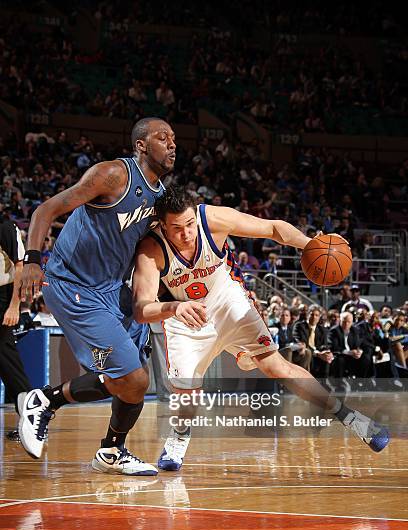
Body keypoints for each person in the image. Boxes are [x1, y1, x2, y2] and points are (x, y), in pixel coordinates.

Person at [133, 187, 389, 471]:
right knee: (187, 392)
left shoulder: (213, 219)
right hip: (184, 315)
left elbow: (273, 228)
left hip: (225, 299)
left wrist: (310, 245)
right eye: (177, 228)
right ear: (162, 225)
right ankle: (180, 435)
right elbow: (141, 308)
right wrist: (173, 308)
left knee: (276, 367)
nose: (187, 234)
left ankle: (350, 417)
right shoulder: (150, 249)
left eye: (190, 224)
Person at [17, 117, 176, 475]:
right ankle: (45, 400)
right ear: (140, 145)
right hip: (73, 285)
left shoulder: (160, 198)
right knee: (134, 380)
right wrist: (32, 260)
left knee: (129, 382)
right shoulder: (113, 175)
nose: (172, 144)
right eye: (162, 137)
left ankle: (110, 451)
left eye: (174, 138)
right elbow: (46, 210)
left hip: (112, 289)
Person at [0, 209, 31, 439]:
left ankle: (31, 419)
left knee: (7, 361)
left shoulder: (6, 227)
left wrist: (14, 306)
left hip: (3, 297)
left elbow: (20, 268)